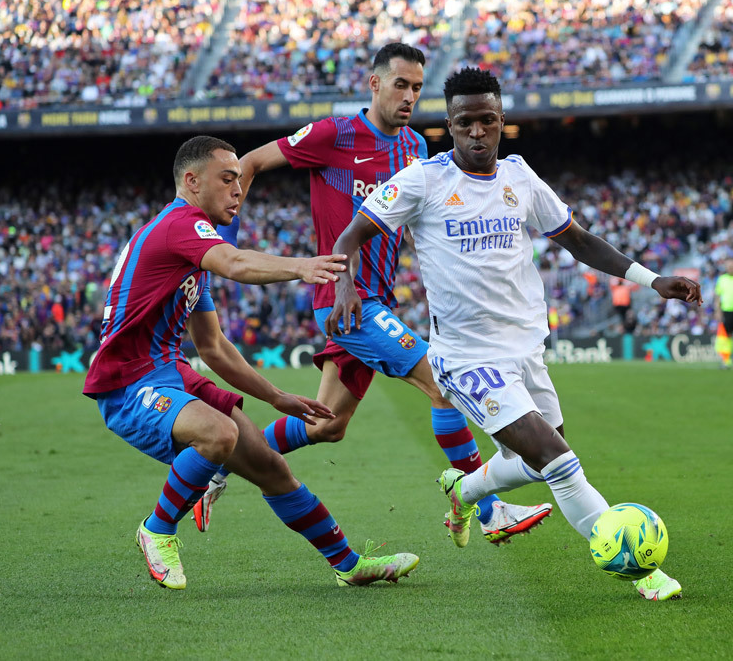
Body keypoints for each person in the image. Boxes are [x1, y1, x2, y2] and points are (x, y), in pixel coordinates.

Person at [326, 68, 702, 601]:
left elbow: (578, 241)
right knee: (558, 461)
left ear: (502, 122)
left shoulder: (520, 178)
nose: (476, 133)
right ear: (448, 126)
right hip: (465, 358)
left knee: (539, 456)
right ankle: (639, 568)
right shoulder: (422, 180)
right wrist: (346, 287)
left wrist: (652, 279)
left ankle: (466, 491)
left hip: (526, 349)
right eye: (463, 123)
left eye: (486, 121)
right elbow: (350, 234)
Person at [199, 43, 551, 544]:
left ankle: (224, 458)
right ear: (375, 84)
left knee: (326, 425)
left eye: (417, 88)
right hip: (345, 302)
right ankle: (488, 507)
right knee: (445, 383)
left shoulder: (414, 149)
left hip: (377, 302)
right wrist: (221, 242)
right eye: (400, 84)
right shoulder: (332, 134)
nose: (409, 96)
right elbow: (250, 161)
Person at [83, 136, 419, 590]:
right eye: (227, 180)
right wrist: (303, 267)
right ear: (191, 181)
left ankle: (349, 565)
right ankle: (156, 529)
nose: (238, 190)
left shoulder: (190, 254)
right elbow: (237, 263)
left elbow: (213, 347)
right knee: (218, 435)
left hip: (169, 371)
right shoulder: (182, 225)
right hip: (128, 380)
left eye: (241, 180)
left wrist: (278, 397)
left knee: (270, 466)